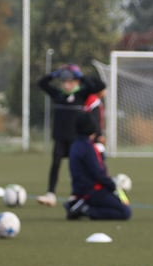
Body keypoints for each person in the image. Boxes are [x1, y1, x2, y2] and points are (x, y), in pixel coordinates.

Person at [36, 64, 106, 207]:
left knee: (75, 168)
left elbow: (100, 86)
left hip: (76, 139)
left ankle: (75, 195)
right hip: (60, 138)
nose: (66, 85)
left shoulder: (82, 94)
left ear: (76, 82)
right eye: (64, 81)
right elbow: (42, 83)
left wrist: (81, 76)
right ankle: (50, 194)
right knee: (55, 163)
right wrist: (54, 74)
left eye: (70, 81)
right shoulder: (58, 95)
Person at [64, 112, 131, 221]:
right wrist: (112, 185)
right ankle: (84, 209)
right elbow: (97, 172)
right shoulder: (88, 148)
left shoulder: (75, 145)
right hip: (93, 191)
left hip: (80, 190)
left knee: (115, 204)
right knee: (124, 212)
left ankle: (78, 204)